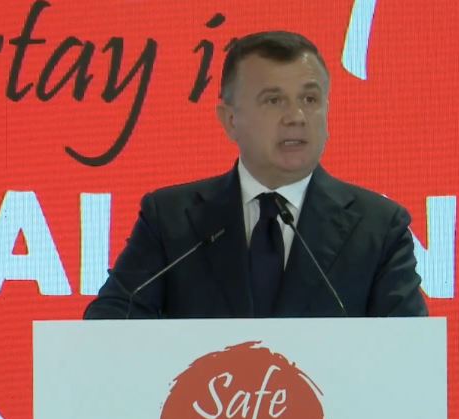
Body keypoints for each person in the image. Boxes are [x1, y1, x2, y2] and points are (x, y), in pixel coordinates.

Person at [84, 31, 427, 319]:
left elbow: (409, 352)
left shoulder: (379, 227)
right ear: (230, 120)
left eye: (310, 99)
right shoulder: (171, 219)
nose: (296, 116)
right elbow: (110, 324)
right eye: (274, 100)